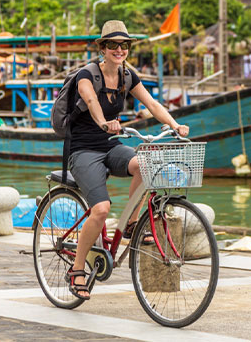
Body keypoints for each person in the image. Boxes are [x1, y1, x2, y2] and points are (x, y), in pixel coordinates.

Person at [66, 20, 189, 301]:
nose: (119, 49)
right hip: (83, 150)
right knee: (100, 210)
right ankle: (76, 269)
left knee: (146, 164)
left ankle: (132, 224)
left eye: (124, 45)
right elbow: (92, 102)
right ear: (103, 48)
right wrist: (103, 122)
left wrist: (174, 124)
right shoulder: (87, 75)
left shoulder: (127, 75)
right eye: (113, 44)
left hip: (110, 145)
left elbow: (153, 104)